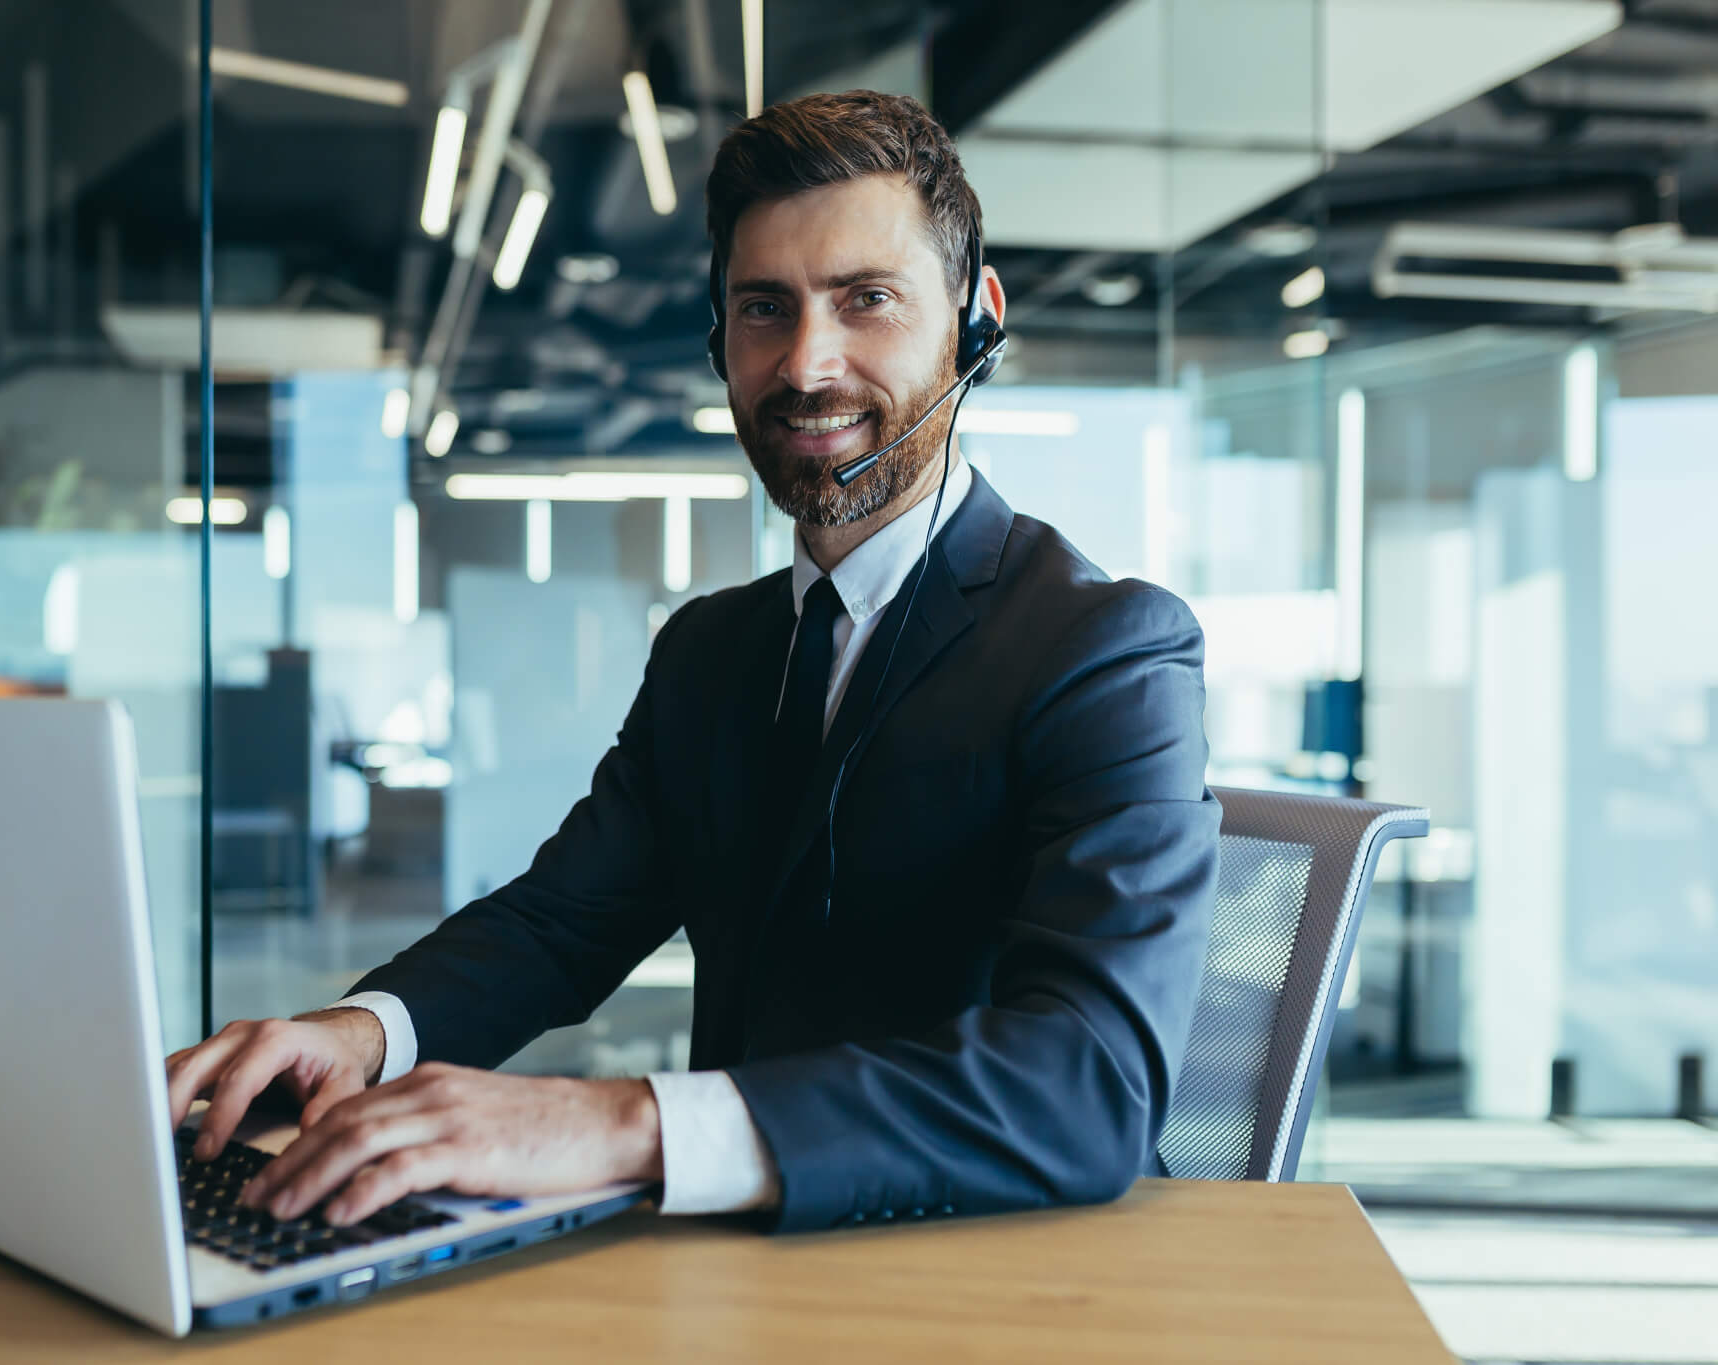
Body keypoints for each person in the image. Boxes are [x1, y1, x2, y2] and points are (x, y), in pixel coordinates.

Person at [165, 90, 1220, 1234]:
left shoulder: (1102, 648)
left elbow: (1088, 1081)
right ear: (721, 344)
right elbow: (562, 922)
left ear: (975, 319)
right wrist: (359, 1032)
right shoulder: (714, 651)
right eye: (764, 309)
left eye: (866, 300)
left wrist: (619, 1125)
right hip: (731, 1269)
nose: (807, 363)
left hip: (982, 1265)